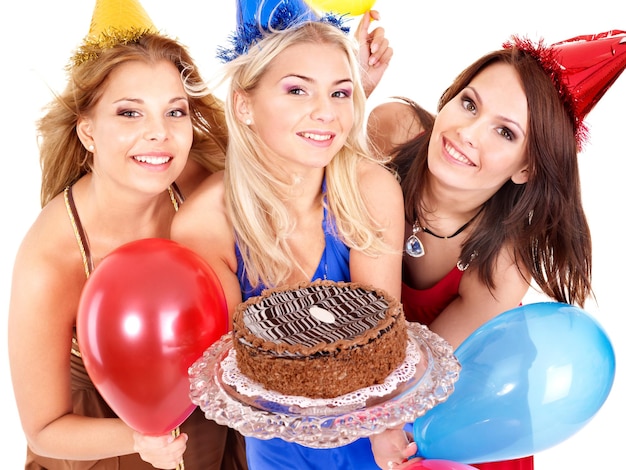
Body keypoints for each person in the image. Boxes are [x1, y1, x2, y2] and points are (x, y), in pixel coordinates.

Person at [366, 30, 626, 469]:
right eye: (469, 103)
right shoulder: (391, 130)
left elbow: (410, 372)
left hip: (454, 417)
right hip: (366, 384)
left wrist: (381, 421)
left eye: (504, 132)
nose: (467, 133)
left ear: (526, 167)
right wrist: (349, 90)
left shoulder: (504, 264)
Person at [7, 0, 246, 468]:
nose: (159, 134)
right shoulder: (50, 261)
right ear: (88, 130)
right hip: (109, 447)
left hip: (208, 430)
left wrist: (348, 80)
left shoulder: (198, 184)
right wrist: (140, 439)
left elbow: (288, 172)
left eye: (175, 112)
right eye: (130, 113)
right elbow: (43, 428)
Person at [170, 10, 405, 470]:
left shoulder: (371, 190)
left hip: (376, 433)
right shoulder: (205, 222)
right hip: (277, 444)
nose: (326, 112)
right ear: (243, 105)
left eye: (340, 93)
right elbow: (245, 370)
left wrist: (384, 426)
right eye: (298, 89)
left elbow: (381, 348)